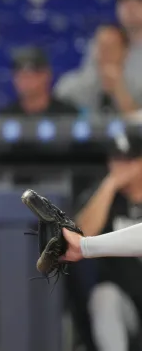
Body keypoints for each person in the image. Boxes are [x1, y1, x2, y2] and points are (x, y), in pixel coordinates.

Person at [72, 132, 142, 351]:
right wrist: (110, 185)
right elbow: (80, 238)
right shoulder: (104, 198)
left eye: (129, 160)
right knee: (104, 297)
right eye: (116, 159)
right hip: (127, 304)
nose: (122, 167)